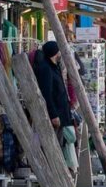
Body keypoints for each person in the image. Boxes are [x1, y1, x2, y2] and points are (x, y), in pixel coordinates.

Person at [33, 41, 77, 175]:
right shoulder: (45, 69)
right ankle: (55, 173)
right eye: (58, 51)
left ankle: (65, 170)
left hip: (63, 113)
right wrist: (53, 115)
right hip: (56, 114)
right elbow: (47, 93)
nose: (60, 54)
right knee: (55, 146)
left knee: (66, 141)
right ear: (54, 52)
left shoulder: (54, 67)